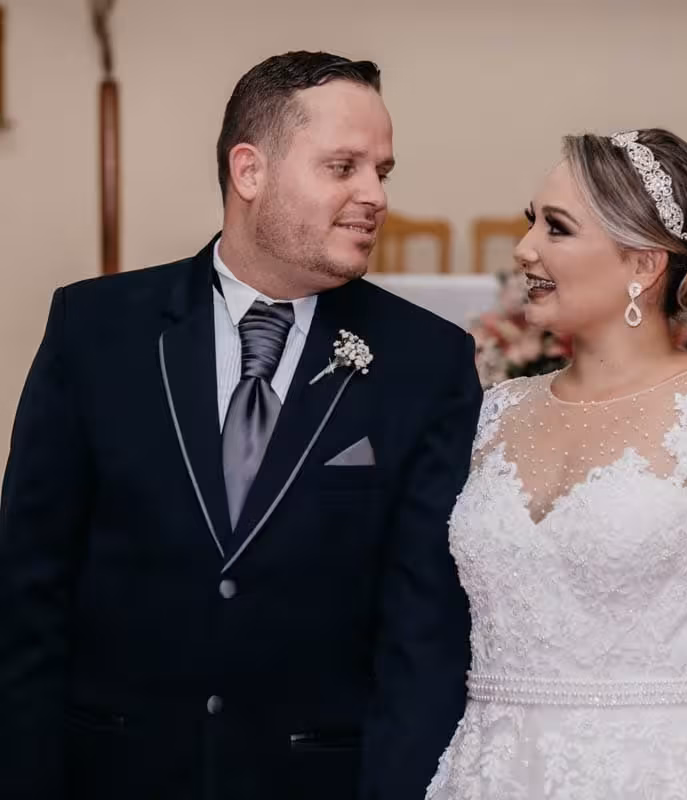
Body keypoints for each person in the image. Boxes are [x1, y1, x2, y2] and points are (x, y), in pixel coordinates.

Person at [0, 51, 481, 800]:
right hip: (114, 770)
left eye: (382, 171)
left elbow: (423, 631)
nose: (375, 196)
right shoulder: (94, 329)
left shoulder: (428, 360)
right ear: (249, 171)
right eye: (343, 167)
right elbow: (28, 589)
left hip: (317, 778)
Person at [426, 128, 687, 799]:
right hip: (492, 772)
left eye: (557, 227)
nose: (525, 248)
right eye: (530, 222)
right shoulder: (494, 414)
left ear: (643, 263)